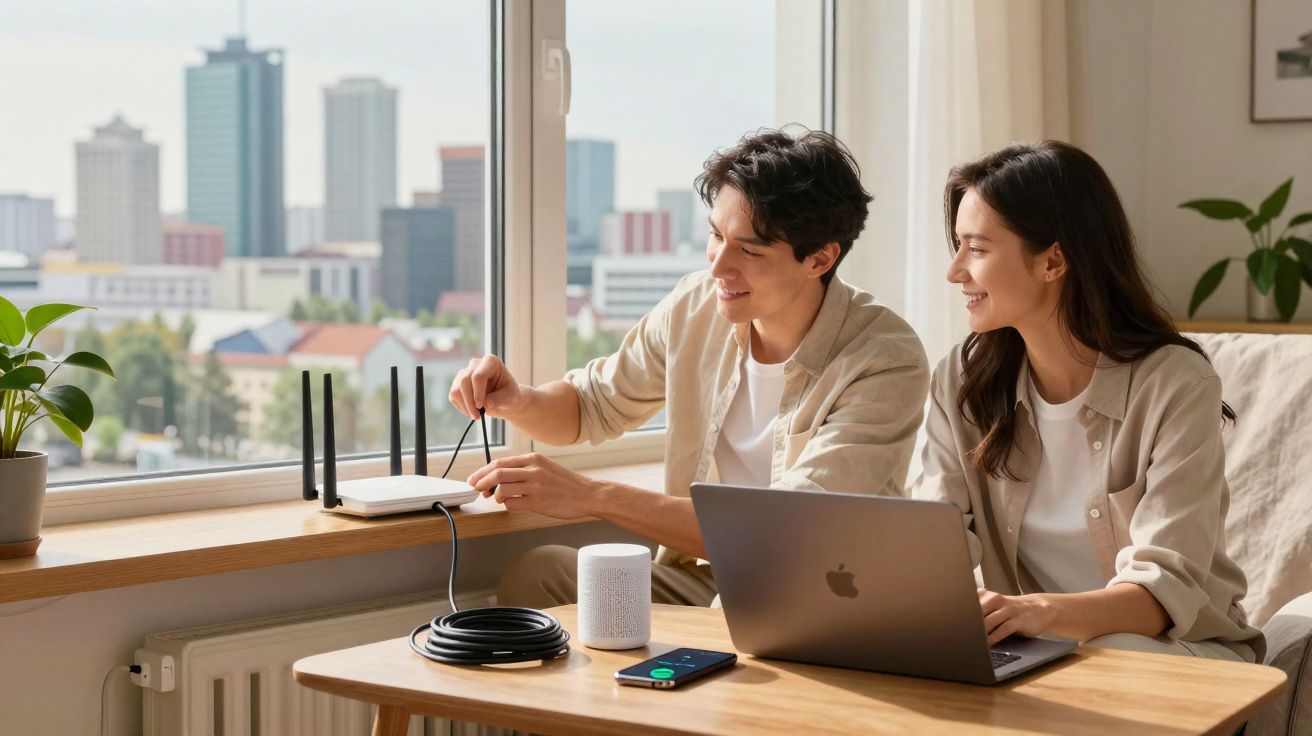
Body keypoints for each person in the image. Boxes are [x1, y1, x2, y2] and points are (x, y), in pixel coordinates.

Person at [449, 127, 929, 609]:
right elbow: (591, 406)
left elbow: (787, 528)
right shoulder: (696, 306)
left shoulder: (884, 359)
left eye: (750, 250)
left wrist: (593, 495)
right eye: (716, 236)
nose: (719, 266)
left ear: (820, 258)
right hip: (711, 580)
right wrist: (516, 399)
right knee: (541, 575)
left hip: (818, 590)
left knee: (739, 607)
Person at [914, 140, 1264, 661]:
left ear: (1053, 261)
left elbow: (1160, 596)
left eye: (978, 248)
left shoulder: (1175, 384)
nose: (955, 270)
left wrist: (1037, 612)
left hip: (1179, 650)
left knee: (1117, 654)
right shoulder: (963, 382)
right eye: (958, 246)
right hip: (1037, 650)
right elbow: (930, 543)